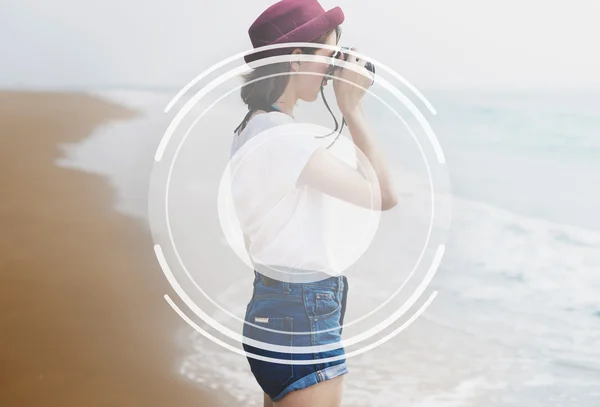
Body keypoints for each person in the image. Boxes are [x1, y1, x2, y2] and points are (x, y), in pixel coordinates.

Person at [229, 1, 398, 406]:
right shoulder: (283, 138)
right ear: (296, 59)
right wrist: (353, 108)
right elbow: (384, 196)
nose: (331, 72)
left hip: (271, 307)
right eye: (328, 56)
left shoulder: (252, 126)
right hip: (302, 316)